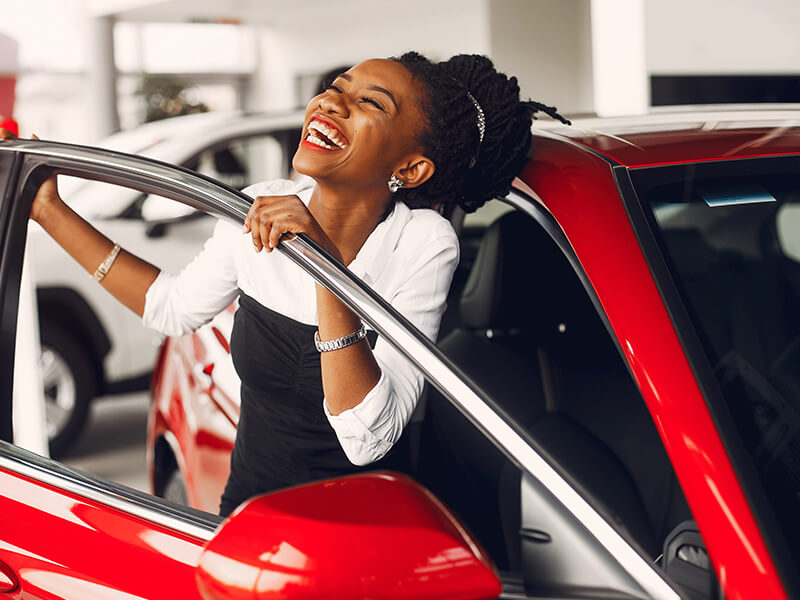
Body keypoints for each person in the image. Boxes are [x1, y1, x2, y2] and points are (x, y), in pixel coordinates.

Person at [4, 52, 566, 516]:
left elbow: (367, 439)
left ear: (411, 169)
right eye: (336, 88)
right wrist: (48, 208)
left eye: (370, 103)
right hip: (249, 518)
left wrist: (324, 267)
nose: (331, 102)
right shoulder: (260, 205)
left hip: (365, 532)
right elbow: (171, 307)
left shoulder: (422, 243)